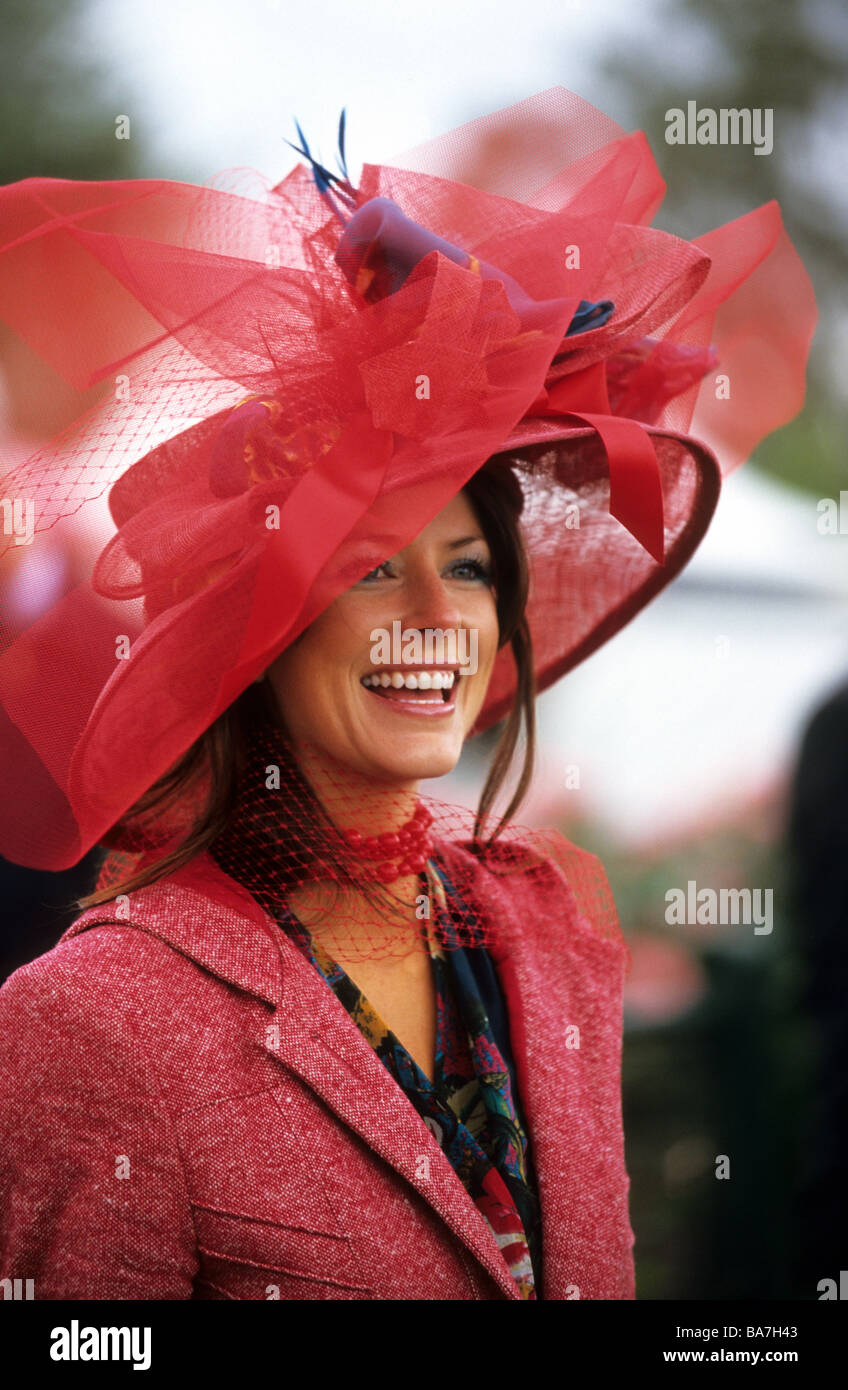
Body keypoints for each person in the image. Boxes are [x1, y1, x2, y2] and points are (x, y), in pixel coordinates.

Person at [0, 87, 815, 1300]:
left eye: (473, 568)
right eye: (372, 567)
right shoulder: (92, 1019)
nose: (439, 619)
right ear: (264, 627)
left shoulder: (548, 931)